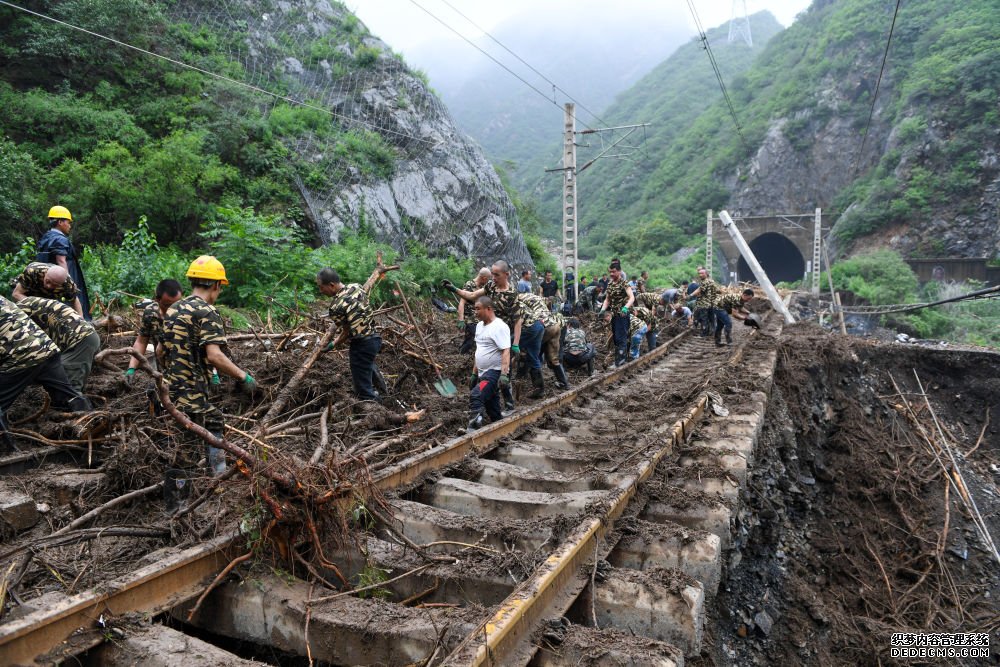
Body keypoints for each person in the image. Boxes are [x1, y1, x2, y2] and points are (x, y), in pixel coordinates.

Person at [161, 256, 256, 491]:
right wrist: (243, 376)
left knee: (199, 428)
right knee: (196, 437)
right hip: (191, 389)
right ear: (216, 285)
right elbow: (215, 355)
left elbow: (162, 350)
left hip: (171, 387)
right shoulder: (207, 312)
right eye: (220, 287)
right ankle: (198, 491)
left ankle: (204, 484)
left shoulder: (173, 309)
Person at [1, 295, 91, 453]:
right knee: (69, 396)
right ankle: (93, 431)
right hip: (46, 348)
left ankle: (8, 450)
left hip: (20, 355)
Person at [444, 260, 522, 414]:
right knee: (487, 368)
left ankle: (509, 405)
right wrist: (455, 289)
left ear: (506, 275)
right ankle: (489, 405)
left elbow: (518, 320)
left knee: (504, 372)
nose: (493, 277)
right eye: (492, 274)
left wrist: (516, 343)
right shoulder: (491, 286)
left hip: (504, 334)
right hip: (488, 331)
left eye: (496, 275)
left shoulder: (512, 294)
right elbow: (472, 295)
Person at [317, 261, 392, 402]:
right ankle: (383, 392)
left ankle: (377, 410)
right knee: (367, 365)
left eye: (322, 288)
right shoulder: (356, 286)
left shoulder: (335, 307)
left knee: (363, 389)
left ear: (332, 285)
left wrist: (332, 345)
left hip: (361, 345)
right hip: (375, 339)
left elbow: (346, 333)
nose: (321, 291)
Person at [15, 297, 101, 393]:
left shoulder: (18, 315)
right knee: (66, 378)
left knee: (68, 384)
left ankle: (78, 406)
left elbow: (30, 345)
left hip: (81, 339)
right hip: (82, 337)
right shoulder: (23, 306)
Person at [35, 206, 91, 320]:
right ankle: (81, 326)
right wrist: (67, 282)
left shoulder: (46, 237)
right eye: (68, 222)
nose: (70, 225)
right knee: (70, 305)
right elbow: (61, 260)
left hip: (49, 280)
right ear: (60, 222)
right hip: (61, 278)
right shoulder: (60, 239)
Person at [126, 280, 184, 383]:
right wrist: (131, 368)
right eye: (168, 305)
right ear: (157, 299)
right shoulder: (151, 314)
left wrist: (213, 373)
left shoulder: (187, 313)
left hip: (186, 372)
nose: (173, 309)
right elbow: (141, 341)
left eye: (177, 304)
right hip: (163, 373)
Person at [468, 297, 511, 430]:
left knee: (476, 395)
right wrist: (474, 374)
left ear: (489, 309)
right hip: (483, 372)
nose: (475, 312)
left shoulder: (500, 327)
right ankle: (501, 431)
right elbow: (479, 350)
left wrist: (504, 374)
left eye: (478, 308)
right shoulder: (479, 326)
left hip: (494, 372)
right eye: (475, 308)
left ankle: (474, 427)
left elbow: (506, 350)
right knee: (493, 412)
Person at [11, 262, 84, 317]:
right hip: (27, 292)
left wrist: (82, 320)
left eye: (54, 285)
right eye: (48, 281)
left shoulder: (68, 284)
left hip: (48, 297)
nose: (49, 286)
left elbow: (75, 300)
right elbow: (16, 294)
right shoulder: (32, 271)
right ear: (45, 273)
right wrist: (39, 308)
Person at [599, 261, 634, 367]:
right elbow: (607, 299)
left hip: (623, 314)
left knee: (621, 337)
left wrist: (625, 308)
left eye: (613, 272)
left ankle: (620, 362)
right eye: (610, 272)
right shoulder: (610, 284)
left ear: (619, 271)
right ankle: (620, 359)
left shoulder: (624, 283)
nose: (611, 274)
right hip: (614, 314)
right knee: (616, 338)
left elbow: (632, 297)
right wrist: (602, 309)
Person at [516, 292, 549, 398]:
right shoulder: (532, 297)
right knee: (533, 356)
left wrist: (515, 343)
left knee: (508, 350)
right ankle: (539, 390)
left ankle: (513, 381)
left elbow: (518, 322)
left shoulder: (515, 302)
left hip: (531, 326)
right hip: (541, 324)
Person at [457, 268, 491, 354]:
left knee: (473, 338)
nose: (488, 281)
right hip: (470, 317)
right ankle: (461, 353)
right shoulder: (469, 285)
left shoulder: (484, 287)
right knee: (472, 336)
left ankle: (467, 353)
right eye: (487, 279)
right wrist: (461, 319)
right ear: (484, 278)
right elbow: (462, 303)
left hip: (480, 317)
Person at [688, 267, 719, 338]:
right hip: (711, 303)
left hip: (704, 304)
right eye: (699, 273)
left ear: (706, 274)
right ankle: (713, 333)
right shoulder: (712, 281)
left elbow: (699, 290)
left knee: (704, 319)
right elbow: (717, 290)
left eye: (702, 273)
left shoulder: (705, 282)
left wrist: (690, 295)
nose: (700, 275)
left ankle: (704, 334)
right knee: (711, 319)